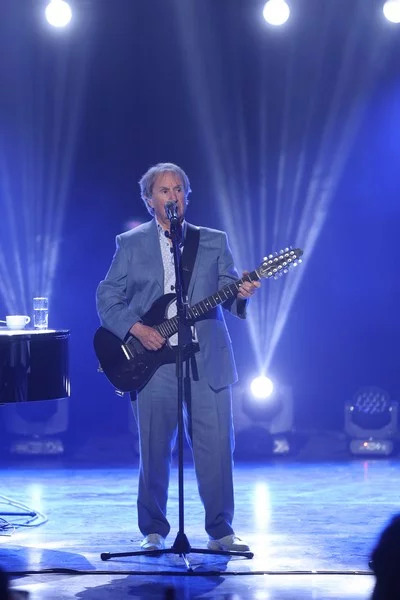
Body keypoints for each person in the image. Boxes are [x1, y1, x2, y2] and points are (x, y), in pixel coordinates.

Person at [96, 162, 260, 552]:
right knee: (154, 448)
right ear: (149, 200)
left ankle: (220, 530)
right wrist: (139, 329)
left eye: (179, 189)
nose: (173, 197)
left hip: (206, 358)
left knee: (217, 446)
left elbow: (228, 289)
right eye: (164, 190)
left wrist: (241, 292)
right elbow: (107, 297)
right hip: (153, 361)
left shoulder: (213, 240)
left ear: (187, 195)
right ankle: (153, 529)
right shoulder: (130, 243)